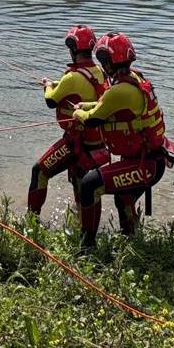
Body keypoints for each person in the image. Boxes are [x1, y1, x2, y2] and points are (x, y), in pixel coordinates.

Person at [71, 33, 174, 250]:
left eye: (103, 61)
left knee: (90, 184)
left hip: (146, 165)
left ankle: (87, 247)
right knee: (123, 198)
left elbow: (93, 120)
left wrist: (78, 114)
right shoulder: (134, 79)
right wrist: (85, 106)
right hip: (150, 160)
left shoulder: (120, 90)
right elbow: (105, 104)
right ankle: (131, 242)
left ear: (109, 62)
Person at [26, 25, 110, 218]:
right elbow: (80, 88)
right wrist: (56, 83)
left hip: (77, 143)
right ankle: (81, 219)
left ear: (73, 50)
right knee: (80, 182)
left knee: (39, 171)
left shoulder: (71, 77)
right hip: (97, 142)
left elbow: (51, 100)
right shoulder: (98, 71)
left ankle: (32, 221)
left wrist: (47, 86)